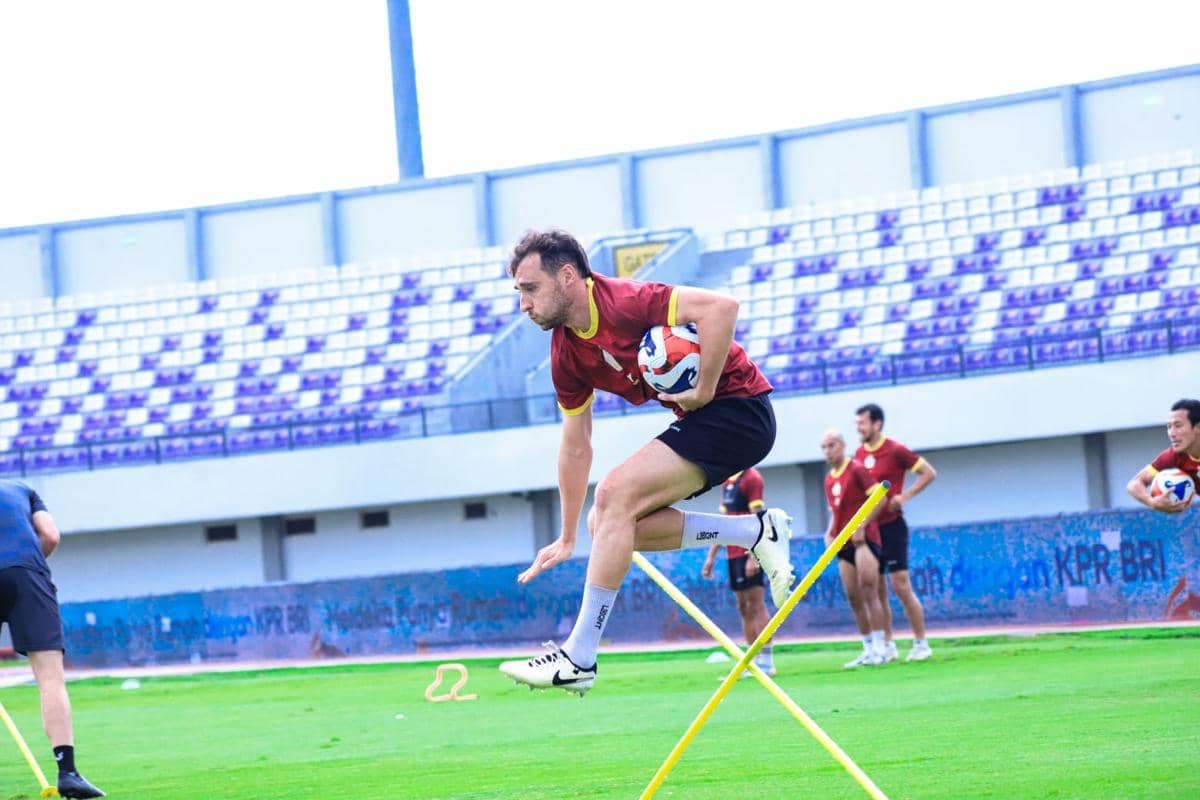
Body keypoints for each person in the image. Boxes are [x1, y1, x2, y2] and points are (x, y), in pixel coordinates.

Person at [497, 229, 794, 695]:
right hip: (710, 423)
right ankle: (755, 532)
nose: (523, 306)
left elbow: (722, 308)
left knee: (615, 494)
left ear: (568, 277)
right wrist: (568, 534)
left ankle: (580, 656)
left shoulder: (627, 302)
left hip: (741, 411)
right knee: (606, 522)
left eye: (530, 289)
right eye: (519, 293)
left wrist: (704, 390)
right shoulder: (564, 354)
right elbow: (576, 445)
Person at [0, 480, 104, 798]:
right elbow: (50, 536)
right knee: (50, 680)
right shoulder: (21, 489)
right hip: (28, 573)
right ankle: (68, 772)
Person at [853, 403, 937, 663]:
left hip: (892, 526)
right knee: (877, 590)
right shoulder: (857, 454)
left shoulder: (895, 450)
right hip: (871, 529)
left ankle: (921, 643)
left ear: (877, 424)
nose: (859, 428)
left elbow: (928, 473)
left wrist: (905, 496)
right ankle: (887, 645)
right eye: (857, 424)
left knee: (901, 585)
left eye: (863, 423)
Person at [820, 431, 888, 668]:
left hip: (863, 540)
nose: (828, 451)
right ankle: (868, 647)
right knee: (853, 596)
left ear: (842, 445)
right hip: (843, 543)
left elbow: (880, 499)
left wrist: (863, 525)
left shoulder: (857, 469)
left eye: (832, 445)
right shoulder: (829, 479)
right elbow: (835, 511)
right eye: (824, 447)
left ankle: (882, 647)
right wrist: (829, 532)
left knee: (870, 590)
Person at [701, 467, 774, 677]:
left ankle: (767, 661)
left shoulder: (752, 478)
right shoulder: (726, 481)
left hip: (748, 551)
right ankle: (751, 661)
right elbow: (723, 523)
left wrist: (754, 556)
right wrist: (711, 556)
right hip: (732, 553)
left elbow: (759, 520)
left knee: (756, 604)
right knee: (743, 607)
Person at [1126, 398, 1200, 513]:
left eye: (1178, 426)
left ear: (1198, 428)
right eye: (1169, 427)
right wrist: (1153, 502)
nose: (1172, 433)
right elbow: (1134, 484)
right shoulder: (1173, 457)